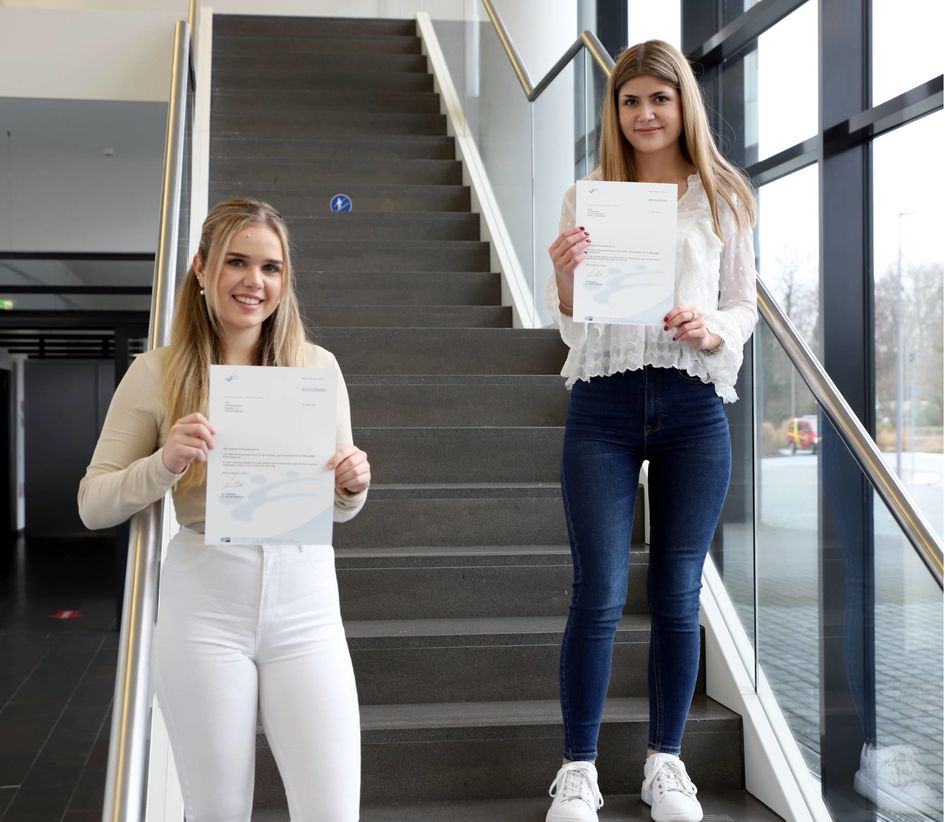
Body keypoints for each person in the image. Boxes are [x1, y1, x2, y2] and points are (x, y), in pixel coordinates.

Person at [78, 198, 370, 821]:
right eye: (237, 262)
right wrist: (165, 463)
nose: (254, 282)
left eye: (271, 267)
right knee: (216, 810)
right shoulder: (156, 374)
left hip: (307, 603)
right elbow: (93, 502)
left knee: (333, 811)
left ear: (284, 279)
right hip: (206, 603)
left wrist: (351, 485)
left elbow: (339, 509)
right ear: (202, 269)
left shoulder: (317, 368)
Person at [544, 41, 757, 822]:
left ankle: (664, 762)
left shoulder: (721, 195)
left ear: (681, 106)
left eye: (657, 100)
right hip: (601, 401)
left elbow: (743, 308)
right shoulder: (587, 195)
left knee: (676, 591)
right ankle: (577, 769)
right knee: (597, 591)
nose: (642, 115)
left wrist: (710, 328)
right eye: (629, 101)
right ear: (615, 111)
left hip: (691, 405)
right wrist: (565, 275)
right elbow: (570, 326)